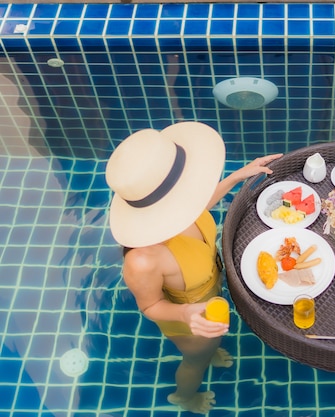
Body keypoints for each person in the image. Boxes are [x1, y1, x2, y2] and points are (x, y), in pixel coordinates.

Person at [105, 121, 282, 414]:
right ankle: (184, 397)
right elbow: (150, 307)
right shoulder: (143, 260)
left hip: (209, 294)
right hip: (189, 318)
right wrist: (186, 314)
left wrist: (238, 176)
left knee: (213, 345)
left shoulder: (177, 208)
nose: (190, 193)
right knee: (196, 358)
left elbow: (198, 205)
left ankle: (210, 354)